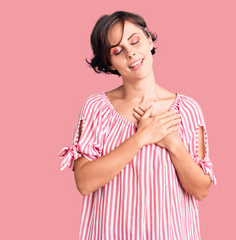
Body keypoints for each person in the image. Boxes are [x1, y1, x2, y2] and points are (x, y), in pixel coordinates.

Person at [58, 11, 217, 240]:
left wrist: (172, 142)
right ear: (109, 63)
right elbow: (84, 182)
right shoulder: (95, 107)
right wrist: (142, 137)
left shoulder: (188, 109)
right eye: (117, 50)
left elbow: (201, 190)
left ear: (149, 40)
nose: (131, 52)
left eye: (135, 41)